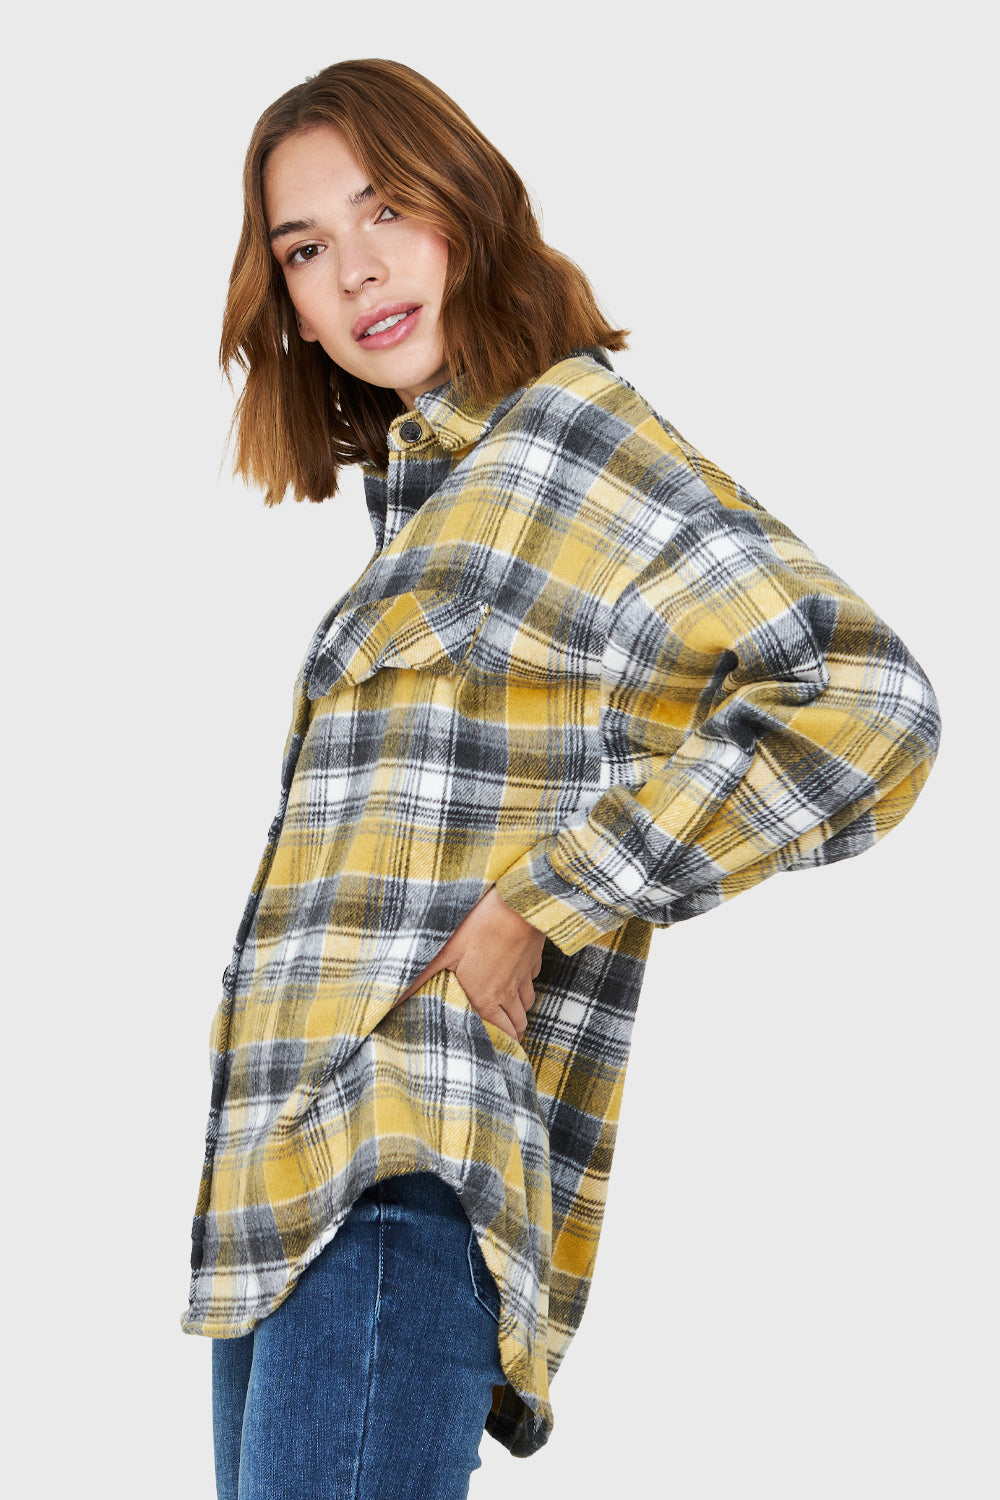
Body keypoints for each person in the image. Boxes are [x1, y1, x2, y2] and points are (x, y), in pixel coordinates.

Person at [182, 57, 941, 1500]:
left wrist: (548, 899)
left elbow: (869, 701)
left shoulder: (569, 441)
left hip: (399, 1175)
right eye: (305, 249)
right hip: (278, 1195)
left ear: (467, 209)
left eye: (386, 210)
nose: (356, 271)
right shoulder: (432, 511)